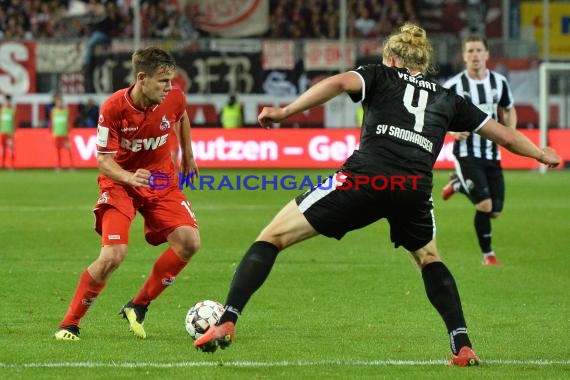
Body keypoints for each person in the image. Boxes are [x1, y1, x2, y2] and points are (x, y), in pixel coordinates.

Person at [193, 24, 560, 366]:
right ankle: (461, 343)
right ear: (424, 62)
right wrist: (542, 152)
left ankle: (228, 319)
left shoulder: (378, 75)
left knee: (271, 237)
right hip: (413, 188)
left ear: (392, 59)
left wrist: (286, 111)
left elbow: (337, 82)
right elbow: (507, 136)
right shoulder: (450, 98)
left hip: (366, 178)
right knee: (429, 257)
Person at [54, 46, 200, 341]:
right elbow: (103, 161)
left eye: (172, 81)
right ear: (142, 78)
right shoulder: (113, 108)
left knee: (189, 242)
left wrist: (188, 156)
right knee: (113, 255)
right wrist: (130, 178)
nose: (170, 88)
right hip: (120, 183)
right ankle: (69, 324)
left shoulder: (173, 97)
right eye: (163, 81)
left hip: (159, 180)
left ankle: (138, 305)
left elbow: (181, 115)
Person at [441, 36, 517, 267]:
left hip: (492, 154)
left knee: (495, 211)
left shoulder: (499, 82)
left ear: (487, 54)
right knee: (484, 204)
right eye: (470, 51)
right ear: (464, 56)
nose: (474, 55)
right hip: (467, 153)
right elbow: (435, 116)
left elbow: (509, 109)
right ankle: (488, 255)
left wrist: (510, 134)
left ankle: (458, 185)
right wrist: (452, 132)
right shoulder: (453, 86)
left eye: (478, 50)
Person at [50, 94, 74, 170]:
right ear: (56, 103)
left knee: (68, 149)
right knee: (57, 150)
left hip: (64, 134)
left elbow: (70, 121)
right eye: (58, 102)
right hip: (56, 134)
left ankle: (71, 166)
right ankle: (58, 166)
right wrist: (51, 131)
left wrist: (69, 129)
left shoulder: (66, 111)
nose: (59, 104)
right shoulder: (53, 111)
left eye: (60, 102)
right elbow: (51, 122)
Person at [1, 95, 16, 168]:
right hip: (2, 132)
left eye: (9, 101)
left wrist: (14, 132)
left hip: (10, 133)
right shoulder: (2, 110)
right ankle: (2, 164)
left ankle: (11, 165)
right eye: (6, 101)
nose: (7, 102)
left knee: (11, 149)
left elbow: (15, 121)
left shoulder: (13, 110)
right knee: (2, 149)